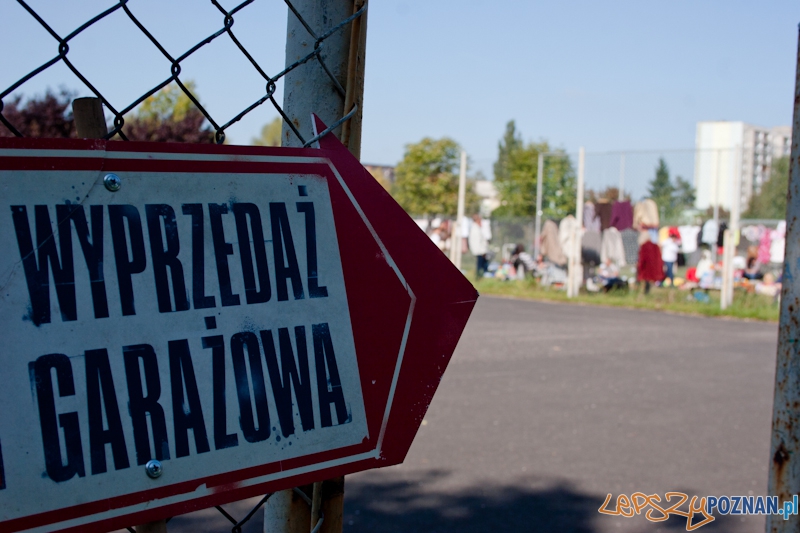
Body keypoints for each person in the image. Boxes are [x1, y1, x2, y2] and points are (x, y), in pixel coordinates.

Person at [468, 214, 491, 278]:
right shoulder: (475, 229)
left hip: (480, 250)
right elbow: (477, 242)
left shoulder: (477, 228)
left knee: (482, 264)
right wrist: (482, 251)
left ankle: (481, 275)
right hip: (479, 251)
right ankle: (478, 276)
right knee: (479, 264)